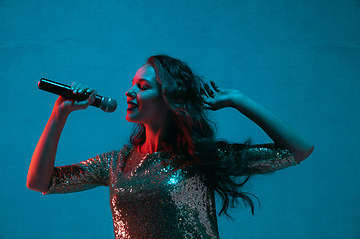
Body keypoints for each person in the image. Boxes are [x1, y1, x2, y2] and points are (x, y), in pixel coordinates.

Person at [27, 55, 314, 239]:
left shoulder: (201, 158)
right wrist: (59, 113)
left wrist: (238, 99)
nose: (129, 92)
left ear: (169, 98)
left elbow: (298, 150)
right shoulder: (116, 163)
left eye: (142, 86)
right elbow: (40, 182)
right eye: (132, 85)